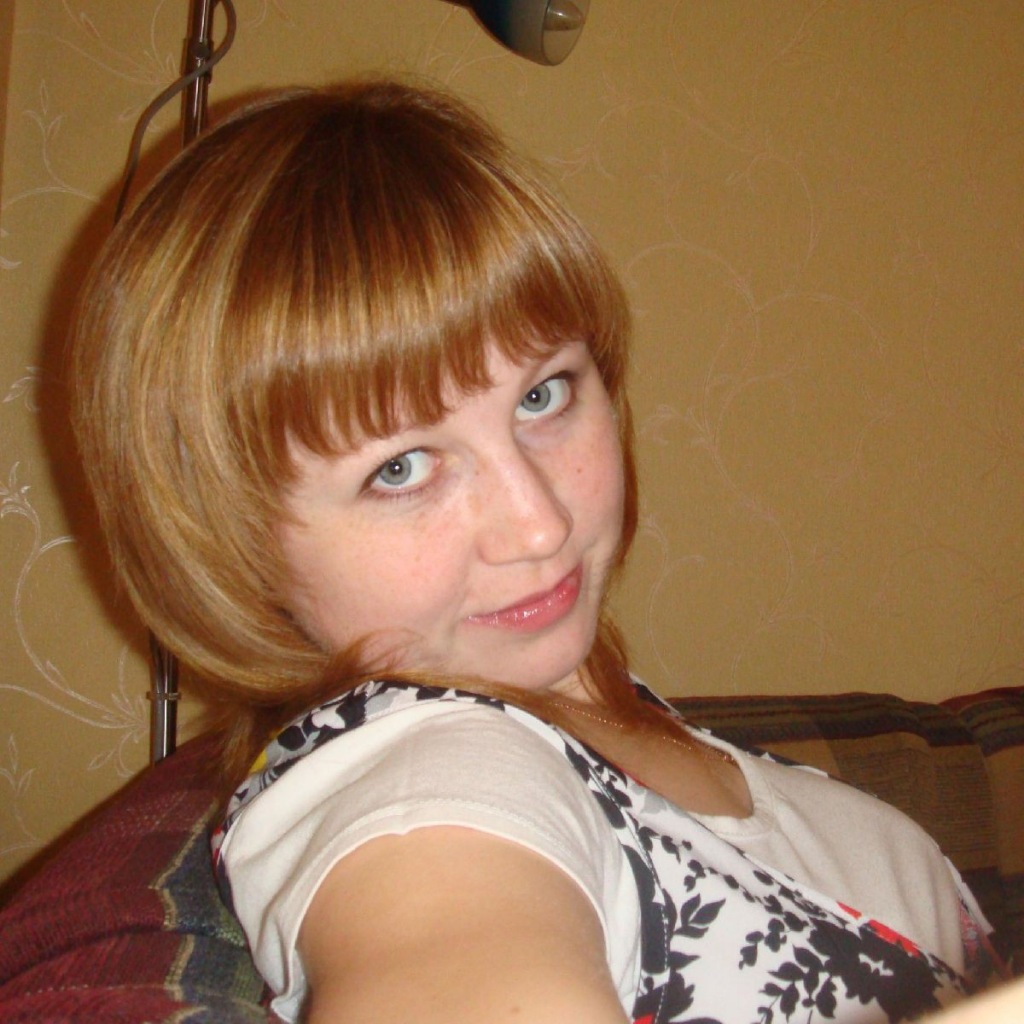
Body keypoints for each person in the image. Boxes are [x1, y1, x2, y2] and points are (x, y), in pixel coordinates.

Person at [72, 78, 1003, 1023]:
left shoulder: (618, 724)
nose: (540, 524)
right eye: (400, 469)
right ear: (231, 542)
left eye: (541, 395)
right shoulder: (423, 781)